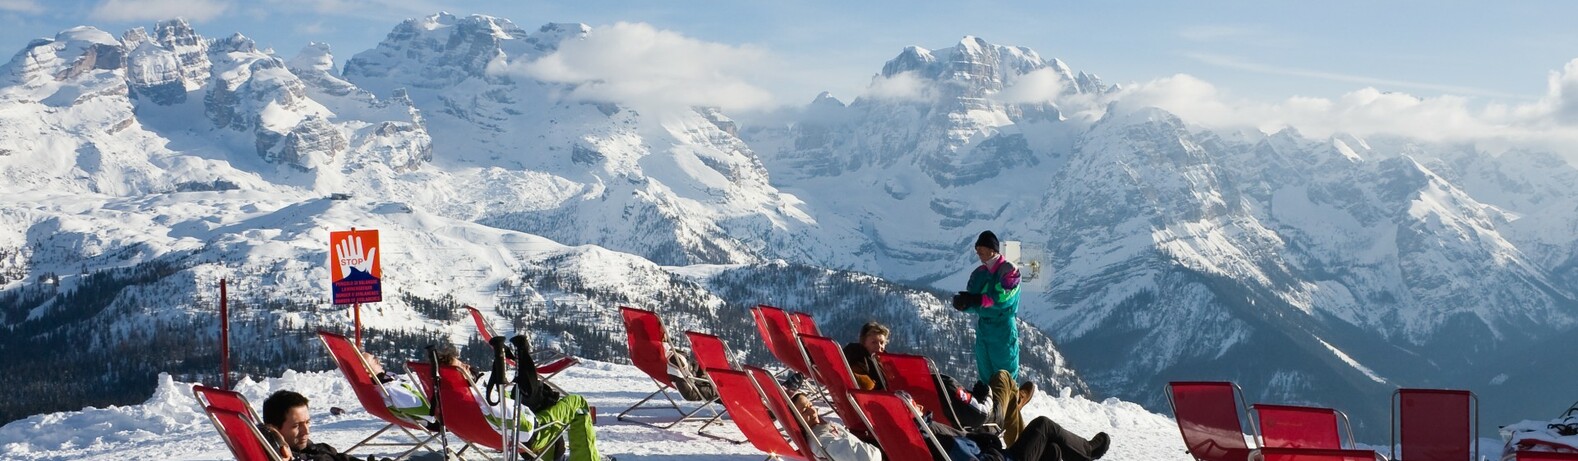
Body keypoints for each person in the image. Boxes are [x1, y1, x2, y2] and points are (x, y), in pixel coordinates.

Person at [435, 346, 607, 461]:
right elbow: (518, 421)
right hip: (528, 434)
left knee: (543, 401)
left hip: (494, 436)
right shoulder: (478, 397)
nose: (467, 365)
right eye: (462, 367)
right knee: (577, 403)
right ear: (456, 376)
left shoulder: (450, 399)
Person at [953, 230, 1023, 383]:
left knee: (1005, 375)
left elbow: (1002, 299)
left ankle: (1010, 404)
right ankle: (989, 404)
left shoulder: (1009, 270)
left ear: (992, 250)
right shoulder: (979, 274)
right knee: (986, 374)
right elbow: (976, 301)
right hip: (984, 328)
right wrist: (964, 303)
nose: (978, 253)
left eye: (981, 249)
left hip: (1002, 328)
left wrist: (976, 300)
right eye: (977, 250)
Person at [262, 390, 390, 461]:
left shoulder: (313, 450)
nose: (306, 431)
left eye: (307, 422)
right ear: (274, 429)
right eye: (296, 426)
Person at [792, 392, 883, 461]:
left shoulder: (821, 429)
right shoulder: (821, 440)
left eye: (810, 405)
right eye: (804, 411)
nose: (812, 411)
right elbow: (867, 458)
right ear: (796, 421)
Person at [361, 352, 430, 421]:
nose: (378, 360)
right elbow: (425, 408)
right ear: (367, 371)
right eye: (374, 360)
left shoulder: (389, 382)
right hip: (436, 413)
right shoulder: (390, 391)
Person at [842, 321, 889, 390]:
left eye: (882, 343)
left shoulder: (887, 363)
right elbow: (865, 385)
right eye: (874, 342)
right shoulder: (859, 359)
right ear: (864, 343)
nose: (879, 347)